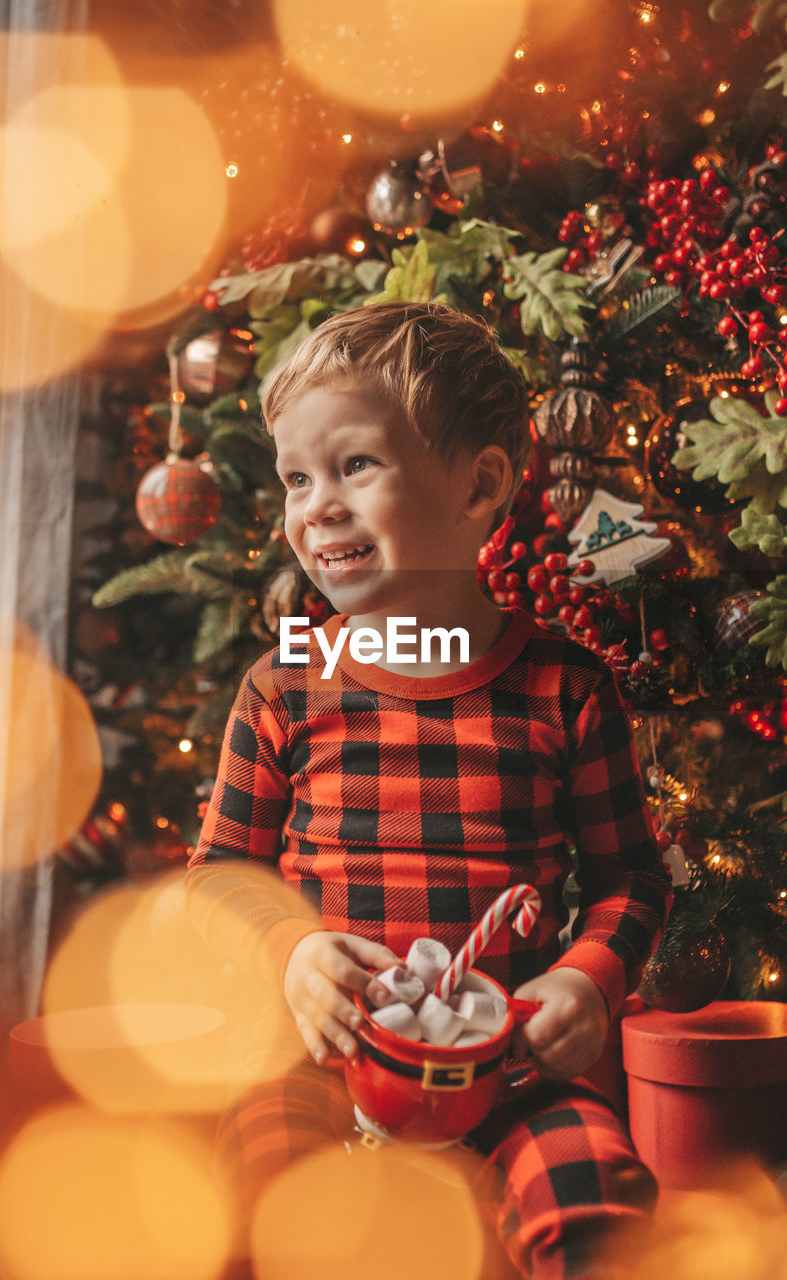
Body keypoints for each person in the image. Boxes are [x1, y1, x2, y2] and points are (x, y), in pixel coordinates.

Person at [188, 301, 672, 1280]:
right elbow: (217, 876)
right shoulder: (283, 684)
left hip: (509, 1070)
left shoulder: (564, 685)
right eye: (295, 477)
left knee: (600, 1212)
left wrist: (586, 976)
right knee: (259, 1208)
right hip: (319, 1069)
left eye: (353, 465)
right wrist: (290, 952)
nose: (314, 504)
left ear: (479, 484)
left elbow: (630, 879)